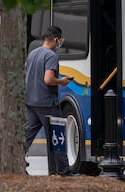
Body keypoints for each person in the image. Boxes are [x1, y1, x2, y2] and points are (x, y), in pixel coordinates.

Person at [25, 25, 74, 176]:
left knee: (27, 135)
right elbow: (48, 79)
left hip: (31, 101)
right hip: (47, 103)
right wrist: (62, 81)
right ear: (55, 39)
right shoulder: (51, 56)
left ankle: (18, 162)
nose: (60, 43)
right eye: (60, 40)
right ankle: (63, 172)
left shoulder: (33, 53)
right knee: (57, 137)